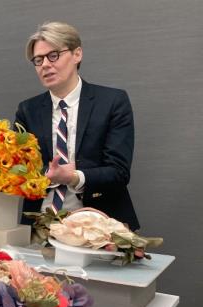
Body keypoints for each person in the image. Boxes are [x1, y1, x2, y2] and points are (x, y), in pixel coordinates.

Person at [15, 22, 139, 230]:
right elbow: (19, 169)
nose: (45, 64)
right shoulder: (28, 110)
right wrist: (51, 175)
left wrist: (74, 177)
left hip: (100, 226)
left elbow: (119, 171)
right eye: (38, 60)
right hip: (40, 226)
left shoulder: (112, 102)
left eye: (53, 55)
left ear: (77, 54)